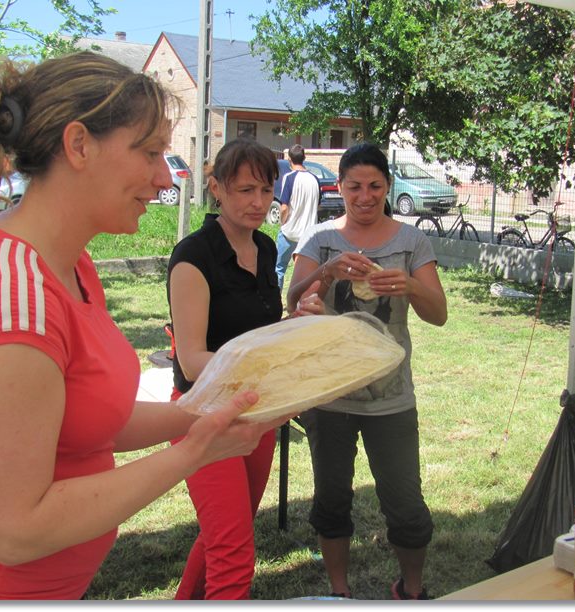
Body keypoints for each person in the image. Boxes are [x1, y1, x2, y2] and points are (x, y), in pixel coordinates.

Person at [0, 52, 292, 600]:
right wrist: (193, 452)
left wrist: (206, 415)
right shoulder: (11, 302)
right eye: (151, 152)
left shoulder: (68, 264)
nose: (164, 177)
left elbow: (90, 416)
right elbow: (16, 531)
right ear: (79, 145)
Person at [286, 142, 447, 600]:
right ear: (340, 187)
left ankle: (410, 590)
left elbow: (438, 314)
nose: (365, 196)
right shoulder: (321, 238)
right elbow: (294, 303)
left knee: (406, 504)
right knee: (332, 500)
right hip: (330, 395)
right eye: (354, 186)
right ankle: (340, 593)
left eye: (375, 186)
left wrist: (410, 284)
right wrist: (328, 272)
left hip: (390, 397)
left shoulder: (411, 241)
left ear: (388, 187)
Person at [166, 138, 323, 600]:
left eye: (266, 190)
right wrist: (266, 365)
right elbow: (192, 360)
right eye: (245, 190)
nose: (259, 202)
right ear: (216, 188)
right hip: (202, 414)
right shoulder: (193, 256)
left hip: (255, 412)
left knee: (224, 534)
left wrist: (296, 323)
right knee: (233, 552)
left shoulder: (265, 246)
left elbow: (260, 333)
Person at [274, 144, 320, 290]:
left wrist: (282, 222)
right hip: (308, 234)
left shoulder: (289, 178)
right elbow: (318, 205)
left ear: (289, 159)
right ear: (304, 158)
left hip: (290, 232)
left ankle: (276, 300)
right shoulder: (314, 179)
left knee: (279, 269)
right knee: (305, 274)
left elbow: (284, 207)